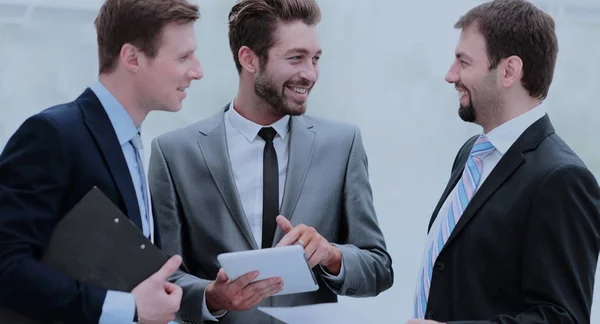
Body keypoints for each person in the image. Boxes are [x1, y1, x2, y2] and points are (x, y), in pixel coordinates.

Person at [148, 0, 394, 323]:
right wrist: (212, 296)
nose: (309, 74)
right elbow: (162, 276)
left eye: (315, 59)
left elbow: (379, 267)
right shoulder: (174, 154)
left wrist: (333, 255)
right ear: (249, 59)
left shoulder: (342, 146)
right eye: (296, 58)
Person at [0, 0, 203, 323]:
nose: (198, 71)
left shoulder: (132, 142)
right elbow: (7, 267)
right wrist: (128, 309)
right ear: (132, 58)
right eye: (183, 57)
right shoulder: (53, 135)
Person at [408, 0, 600, 323]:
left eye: (463, 62)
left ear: (509, 71)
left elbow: (561, 318)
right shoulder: (471, 153)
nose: (450, 75)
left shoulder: (563, 179)